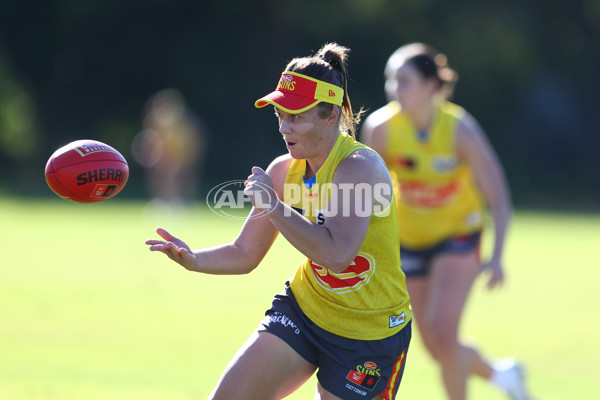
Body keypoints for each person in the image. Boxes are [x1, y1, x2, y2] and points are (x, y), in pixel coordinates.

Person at [145, 43, 412, 400]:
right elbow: (244, 252)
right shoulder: (284, 170)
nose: (284, 126)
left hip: (369, 336)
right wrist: (195, 260)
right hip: (305, 312)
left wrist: (273, 205)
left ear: (331, 115)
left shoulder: (359, 168)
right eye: (280, 114)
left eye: (296, 116)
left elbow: (338, 255)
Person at [360, 43, 533, 400]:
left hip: (459, 234)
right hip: (408, 240)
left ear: (431, 87)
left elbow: (497, 195)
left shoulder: (459, 129)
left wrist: (498, 254)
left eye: (404, 80)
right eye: (391, 80)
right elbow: (368, 198)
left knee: (444, 330)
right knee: (435, 345)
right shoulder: (381, 128)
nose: (394, 89)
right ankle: (504, 377)